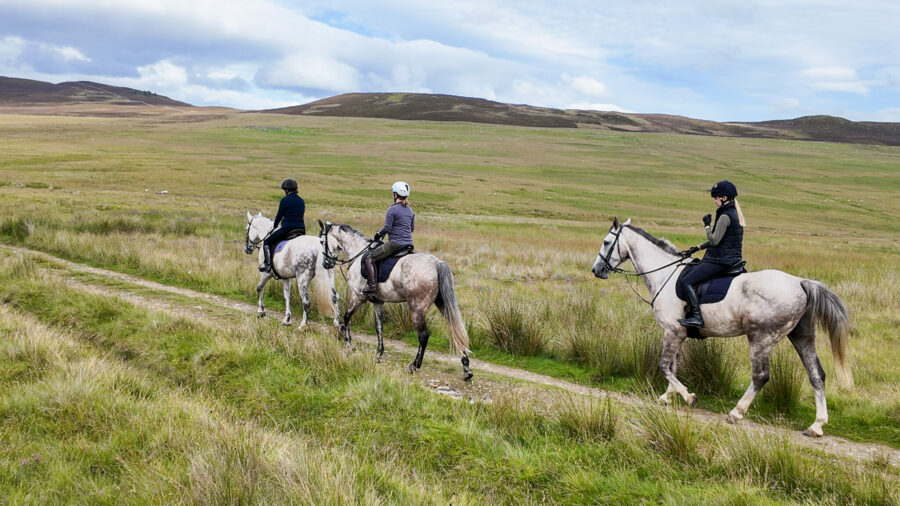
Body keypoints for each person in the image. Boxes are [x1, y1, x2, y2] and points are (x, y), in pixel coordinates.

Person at [676, 180, 746, 328]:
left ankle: (696, 316)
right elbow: (722, 239)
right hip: (729, 257)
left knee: (686, 281)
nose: (714, 201)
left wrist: (707, 225)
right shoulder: (733, 213)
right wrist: (698, 247)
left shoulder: (725, 216)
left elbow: (714, 240)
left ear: (724, 198)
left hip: (721, 260)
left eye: (716, 198)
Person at [362, 181, 415, 295]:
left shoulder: (392, 209)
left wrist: (377, 235)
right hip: (409, 244)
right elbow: (411, 229)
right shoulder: (410, 210)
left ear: (395, 195)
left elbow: (387, 228)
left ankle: (372, 286)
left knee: (369, 258)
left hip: (395, 244)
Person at [260, 177, 306, 272]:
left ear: (286, 190)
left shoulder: (284, 200)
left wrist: (275, 225)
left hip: (288, 228)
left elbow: (279, 216)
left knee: (267, 242)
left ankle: (268, 265)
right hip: (301, 229)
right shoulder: (302, 201)